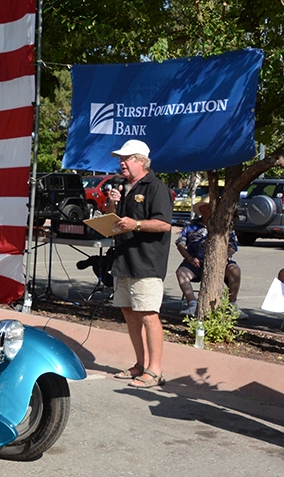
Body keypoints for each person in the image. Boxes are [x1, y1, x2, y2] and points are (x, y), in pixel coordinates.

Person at [104, 140, 173, 388]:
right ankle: (140, 364)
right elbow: (114, 221)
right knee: (129, 313)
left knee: (148, 315)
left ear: (142, 161)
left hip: (146, 263)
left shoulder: (156, 188)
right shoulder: (124, 187)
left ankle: (155, 371)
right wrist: (113, 203)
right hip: (124, 260)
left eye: (127, 158)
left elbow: (165, 224)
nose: (121, 163)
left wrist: (137, 225)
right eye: (120, 159)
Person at [175, 197, 246, 319]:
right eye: (209, 208)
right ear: (202, 210)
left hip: (220, 262)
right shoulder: (191, 225)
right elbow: (180, 244)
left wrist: (222, 258)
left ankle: (232, 305)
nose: (213, 211)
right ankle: (192, 304)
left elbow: (233, 246)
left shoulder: (224, 225)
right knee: (181, 272)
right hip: (195, 262)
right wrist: (189, 258)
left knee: (235, 270)